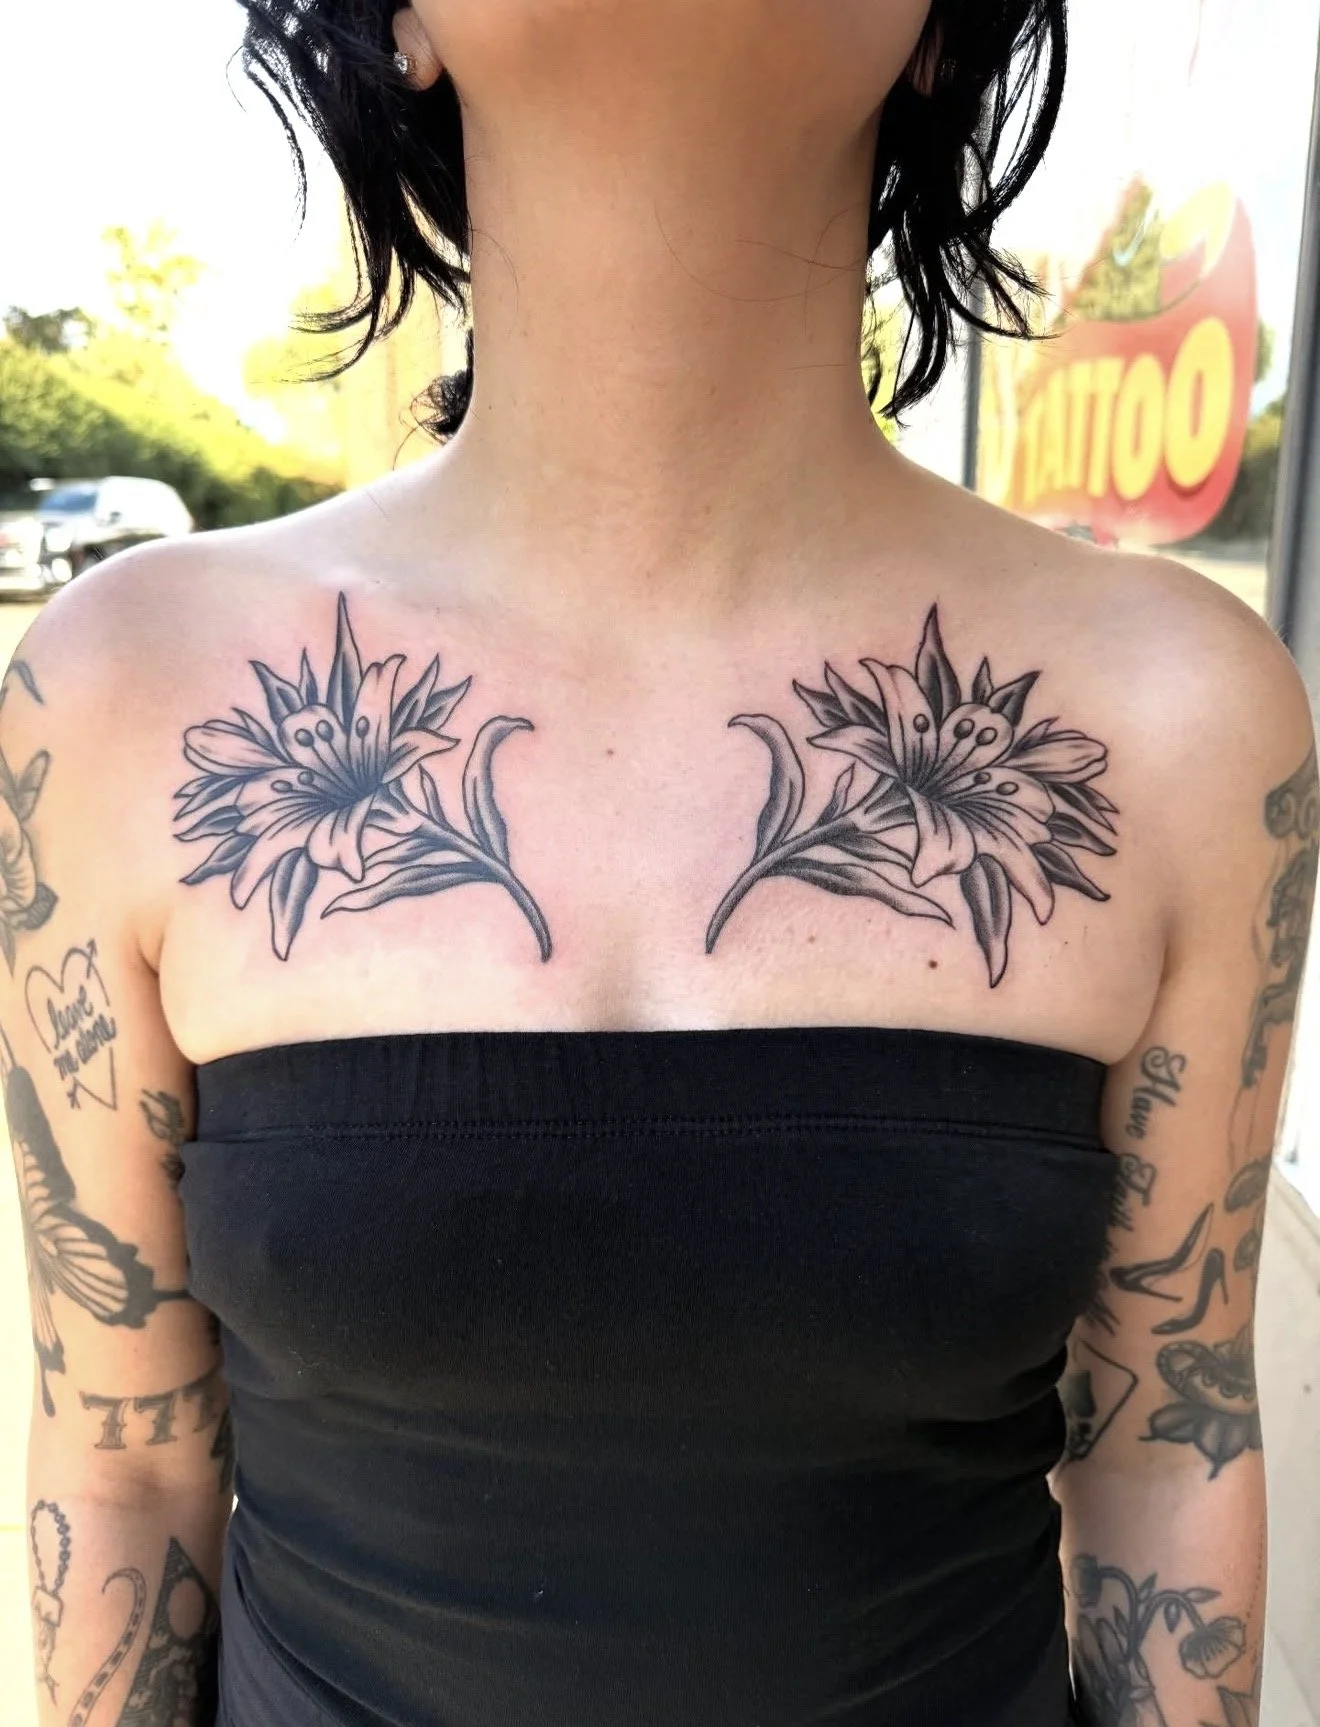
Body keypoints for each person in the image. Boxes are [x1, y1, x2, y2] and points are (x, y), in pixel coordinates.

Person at [10, 2, 1316, 1723]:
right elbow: (121, 1470)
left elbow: (1166, 1441)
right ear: (393, 23)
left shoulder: (1183, 721)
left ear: (943, 35)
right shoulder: (121, 702)